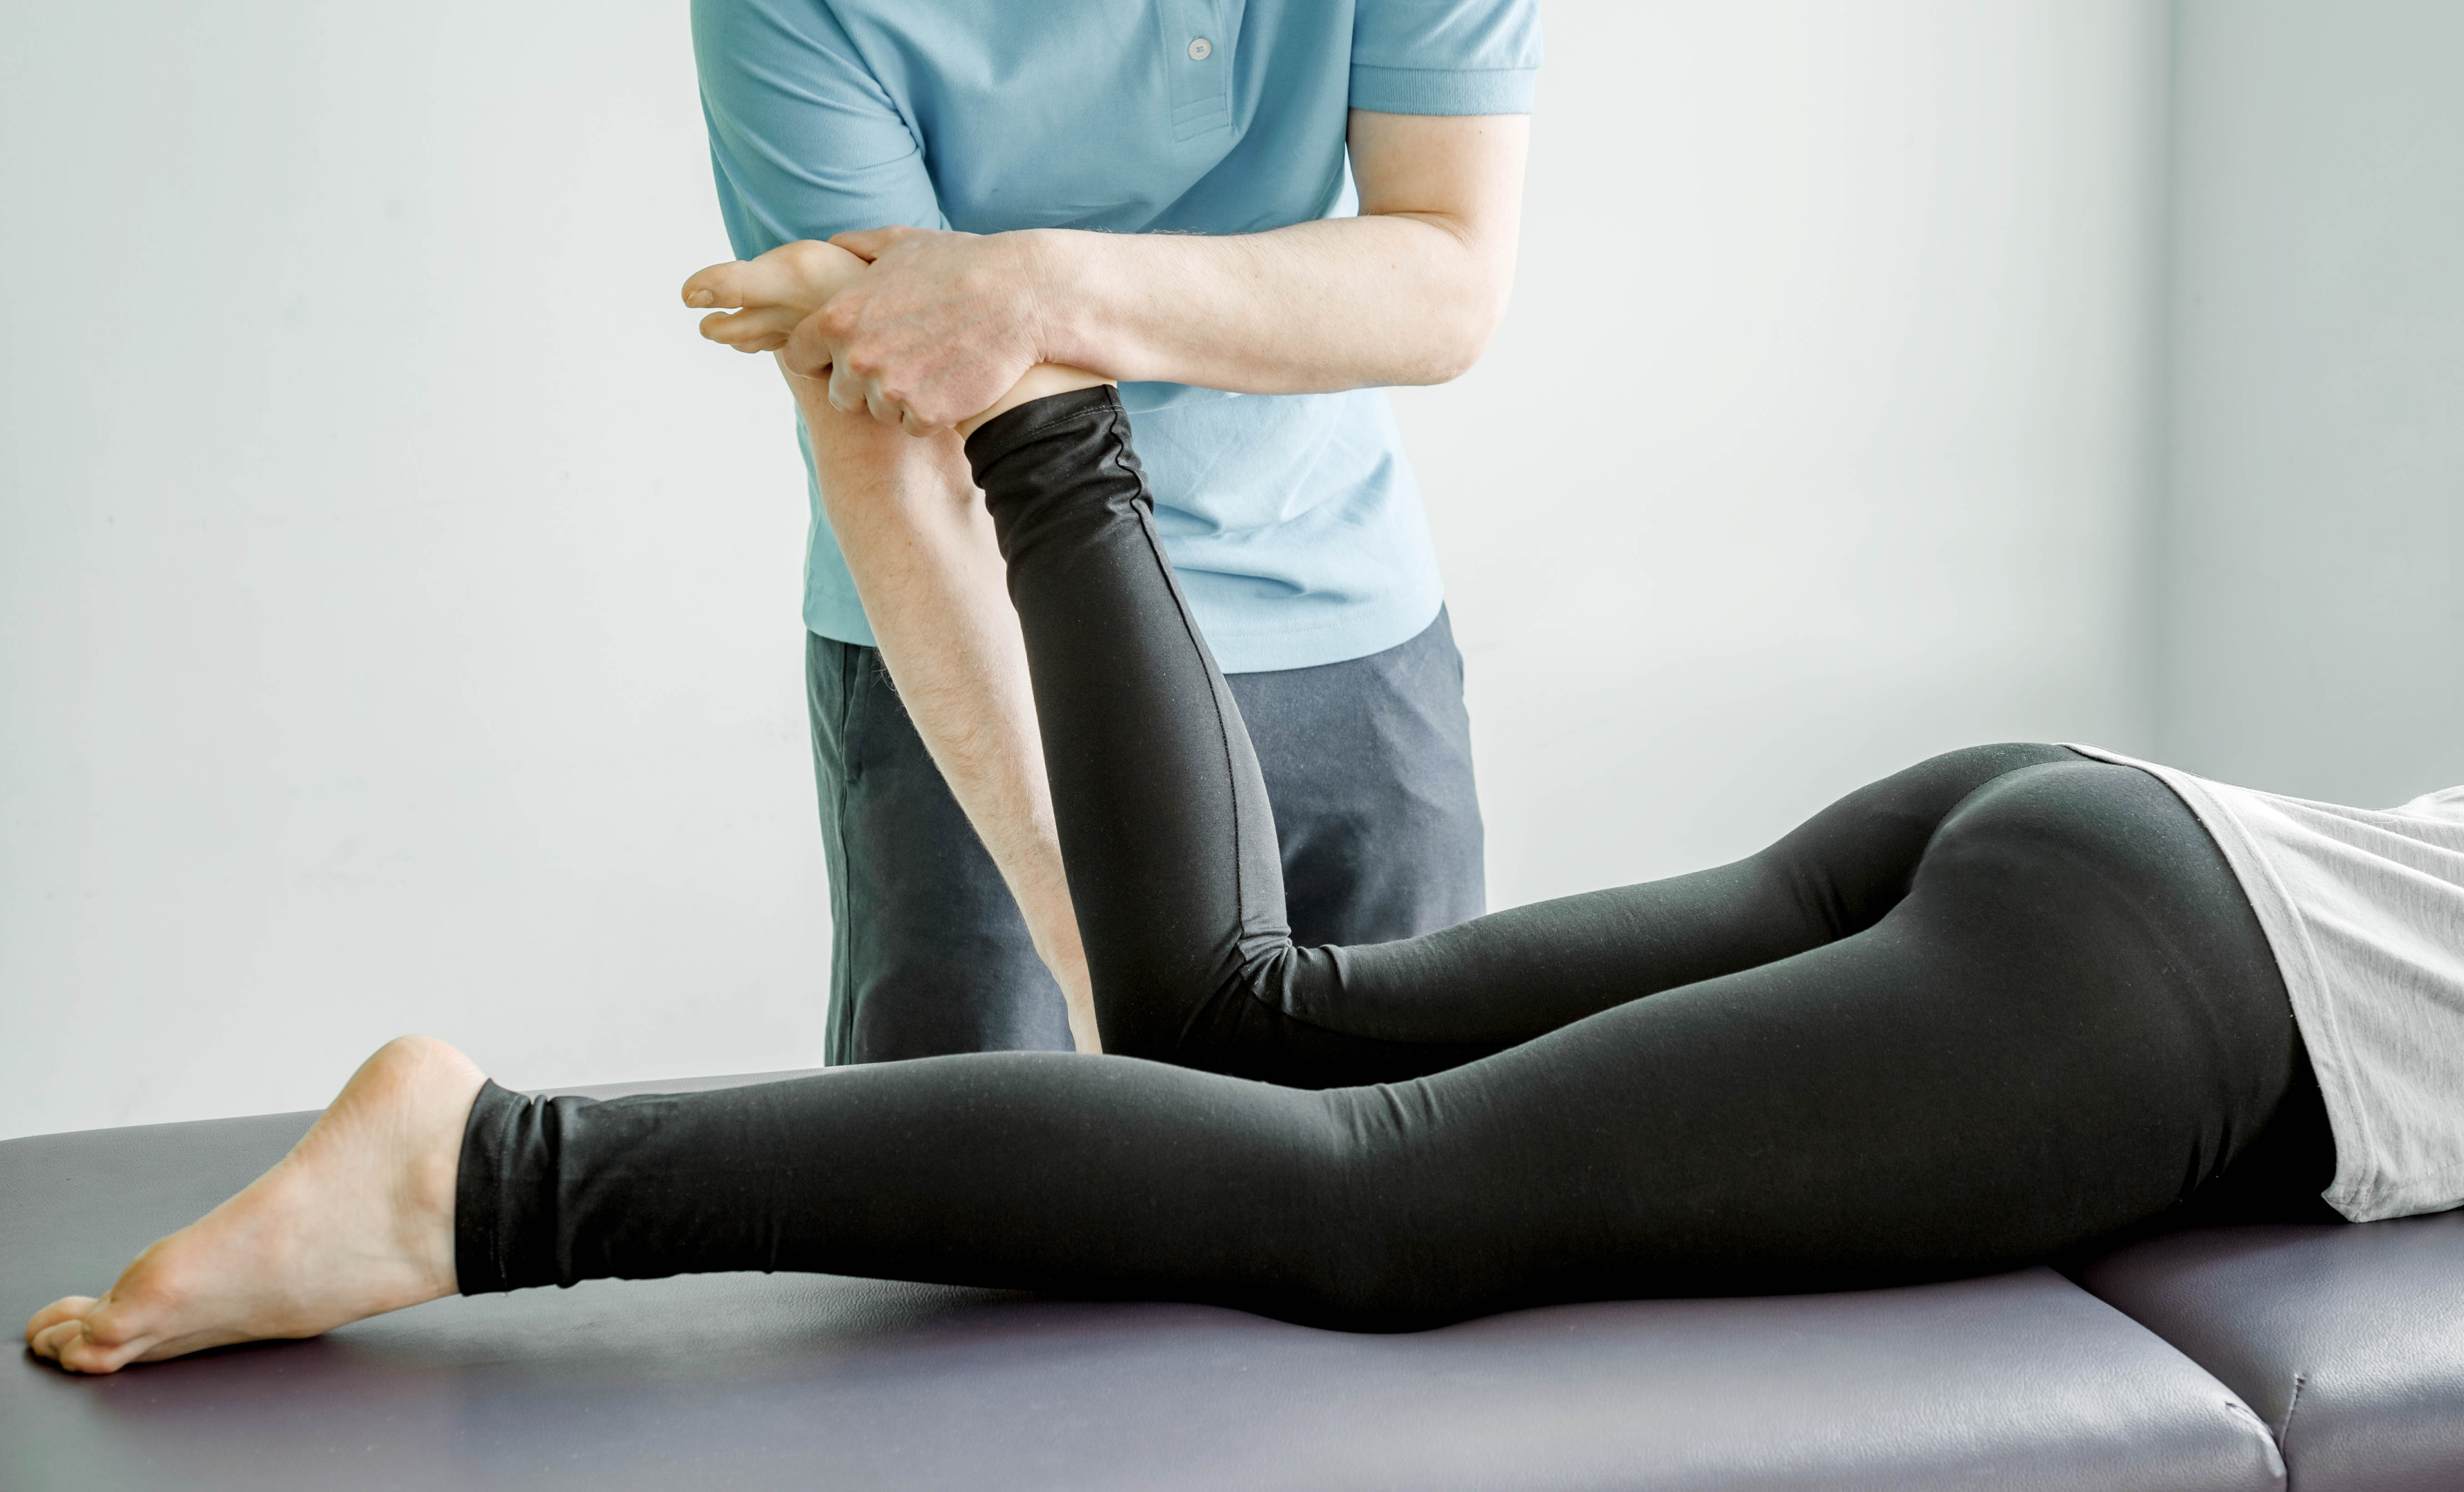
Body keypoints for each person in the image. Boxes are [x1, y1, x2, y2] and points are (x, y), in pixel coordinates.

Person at [27, 293, 2464, 1374]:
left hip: (2095, 825)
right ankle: (497, 1180)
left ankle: (1053, 428)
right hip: (2175, 1001)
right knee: (1380, 1200)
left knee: (1244, 1028)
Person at [687, 0, 1540, 1062]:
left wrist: (1031, 292)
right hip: (978, 644)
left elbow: (1447, 277)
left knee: (1421, 1160)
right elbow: (895, 438)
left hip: (1336, 620)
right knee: (984, 1201)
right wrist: (1093, 950)